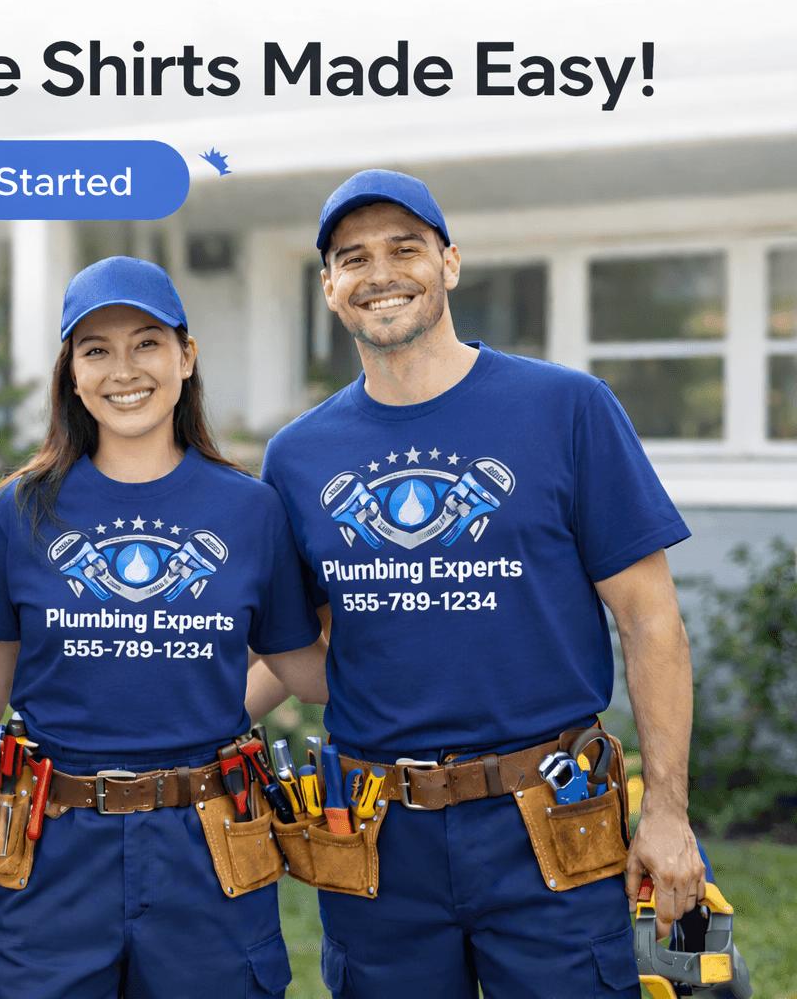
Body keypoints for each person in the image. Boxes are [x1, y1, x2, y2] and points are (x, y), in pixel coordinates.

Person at [250, 169, 705, 997]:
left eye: (405, 249)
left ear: (451, 263)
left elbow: (651, 624)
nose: (379, 273)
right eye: (353, 258)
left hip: (550, 819)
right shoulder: (297, 457)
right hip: (377, 836)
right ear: (329, 286)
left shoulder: (567, 408)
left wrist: (668, 812)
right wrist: (144, 745)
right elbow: (296, 652)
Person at [0, 256, 328, 999]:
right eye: (95, 350)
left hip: (210, 847)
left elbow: (305, 672)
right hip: (49, 847)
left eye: (147, 343)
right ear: (70, 373)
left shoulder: (251, 512)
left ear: (186, 358)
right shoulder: (17, 515)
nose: (122, 370)